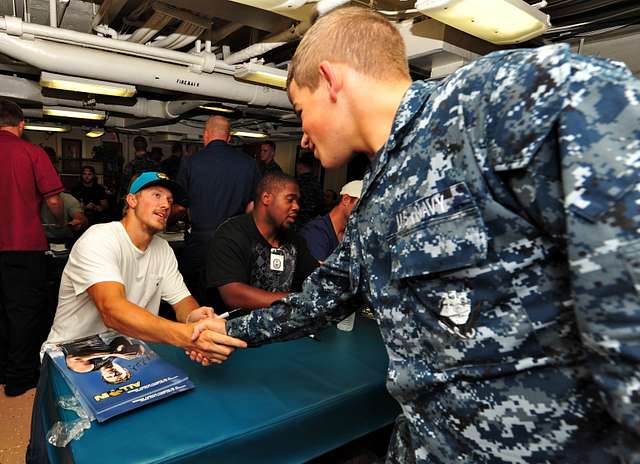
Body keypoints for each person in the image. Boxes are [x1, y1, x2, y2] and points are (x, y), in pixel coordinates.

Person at [194, 7, 640, 463]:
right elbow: (315, 305)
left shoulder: (496, 102)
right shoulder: (374, 200)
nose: (303, 138)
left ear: (330, 82)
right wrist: (225, 327)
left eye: (300, 111)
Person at [27, 171, 246, 462]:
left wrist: (197, 320)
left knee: (131, 449)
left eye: (169, 199)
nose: (166, 204)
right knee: (58, 454)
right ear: (131, 200)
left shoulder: (163, 249)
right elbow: (112, 311)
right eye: (156, 195)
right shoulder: (100, 238)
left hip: (129, 358)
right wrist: (186, 338)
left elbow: (182, 302)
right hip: (69, 362)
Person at [0, 99, 65, 397]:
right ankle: (18, 378)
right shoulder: (31, 151)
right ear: (22, 124)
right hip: (23, 246)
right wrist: (61, 221)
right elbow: (53, 200)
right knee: (24, 312)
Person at [176, 115, 261, 303]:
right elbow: (254, 206)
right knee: (230, 299)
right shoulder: (249, 164)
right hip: (235, 241)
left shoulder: (190, 163)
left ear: (205, 135)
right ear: (229, 137)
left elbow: (181, 206)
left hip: (200, 242)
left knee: (194, 298)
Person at [206, 172, 318, 311]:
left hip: (283, 327)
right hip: (232, 328)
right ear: (266, 198)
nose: (296, 207)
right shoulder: (231, 235)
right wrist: (298, 300)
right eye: (290, 199)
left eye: (297, 201)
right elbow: (234, 297)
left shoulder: (294, 240)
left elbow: (316, 280)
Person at [300, 180, 362, 262]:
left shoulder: (352, 234)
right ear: (346, 200)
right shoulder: (316, 231)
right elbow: (318, 272)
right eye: (363, 205)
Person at [62, 335, 144, 385]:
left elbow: (73, 358)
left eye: (109, 376)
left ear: (103, 376)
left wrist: (113, 353)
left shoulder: (87, 368)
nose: (113, 373)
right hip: (87, 328)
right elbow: (119, 339)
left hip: (67, 336)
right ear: (124, 369)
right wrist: (131, 348)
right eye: (118, 373)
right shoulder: (115, 356)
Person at [295, 151, 324, 227]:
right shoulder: (317, 184)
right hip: (313, 224)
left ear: (299, 166)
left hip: (298, 224)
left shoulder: (296, 184)